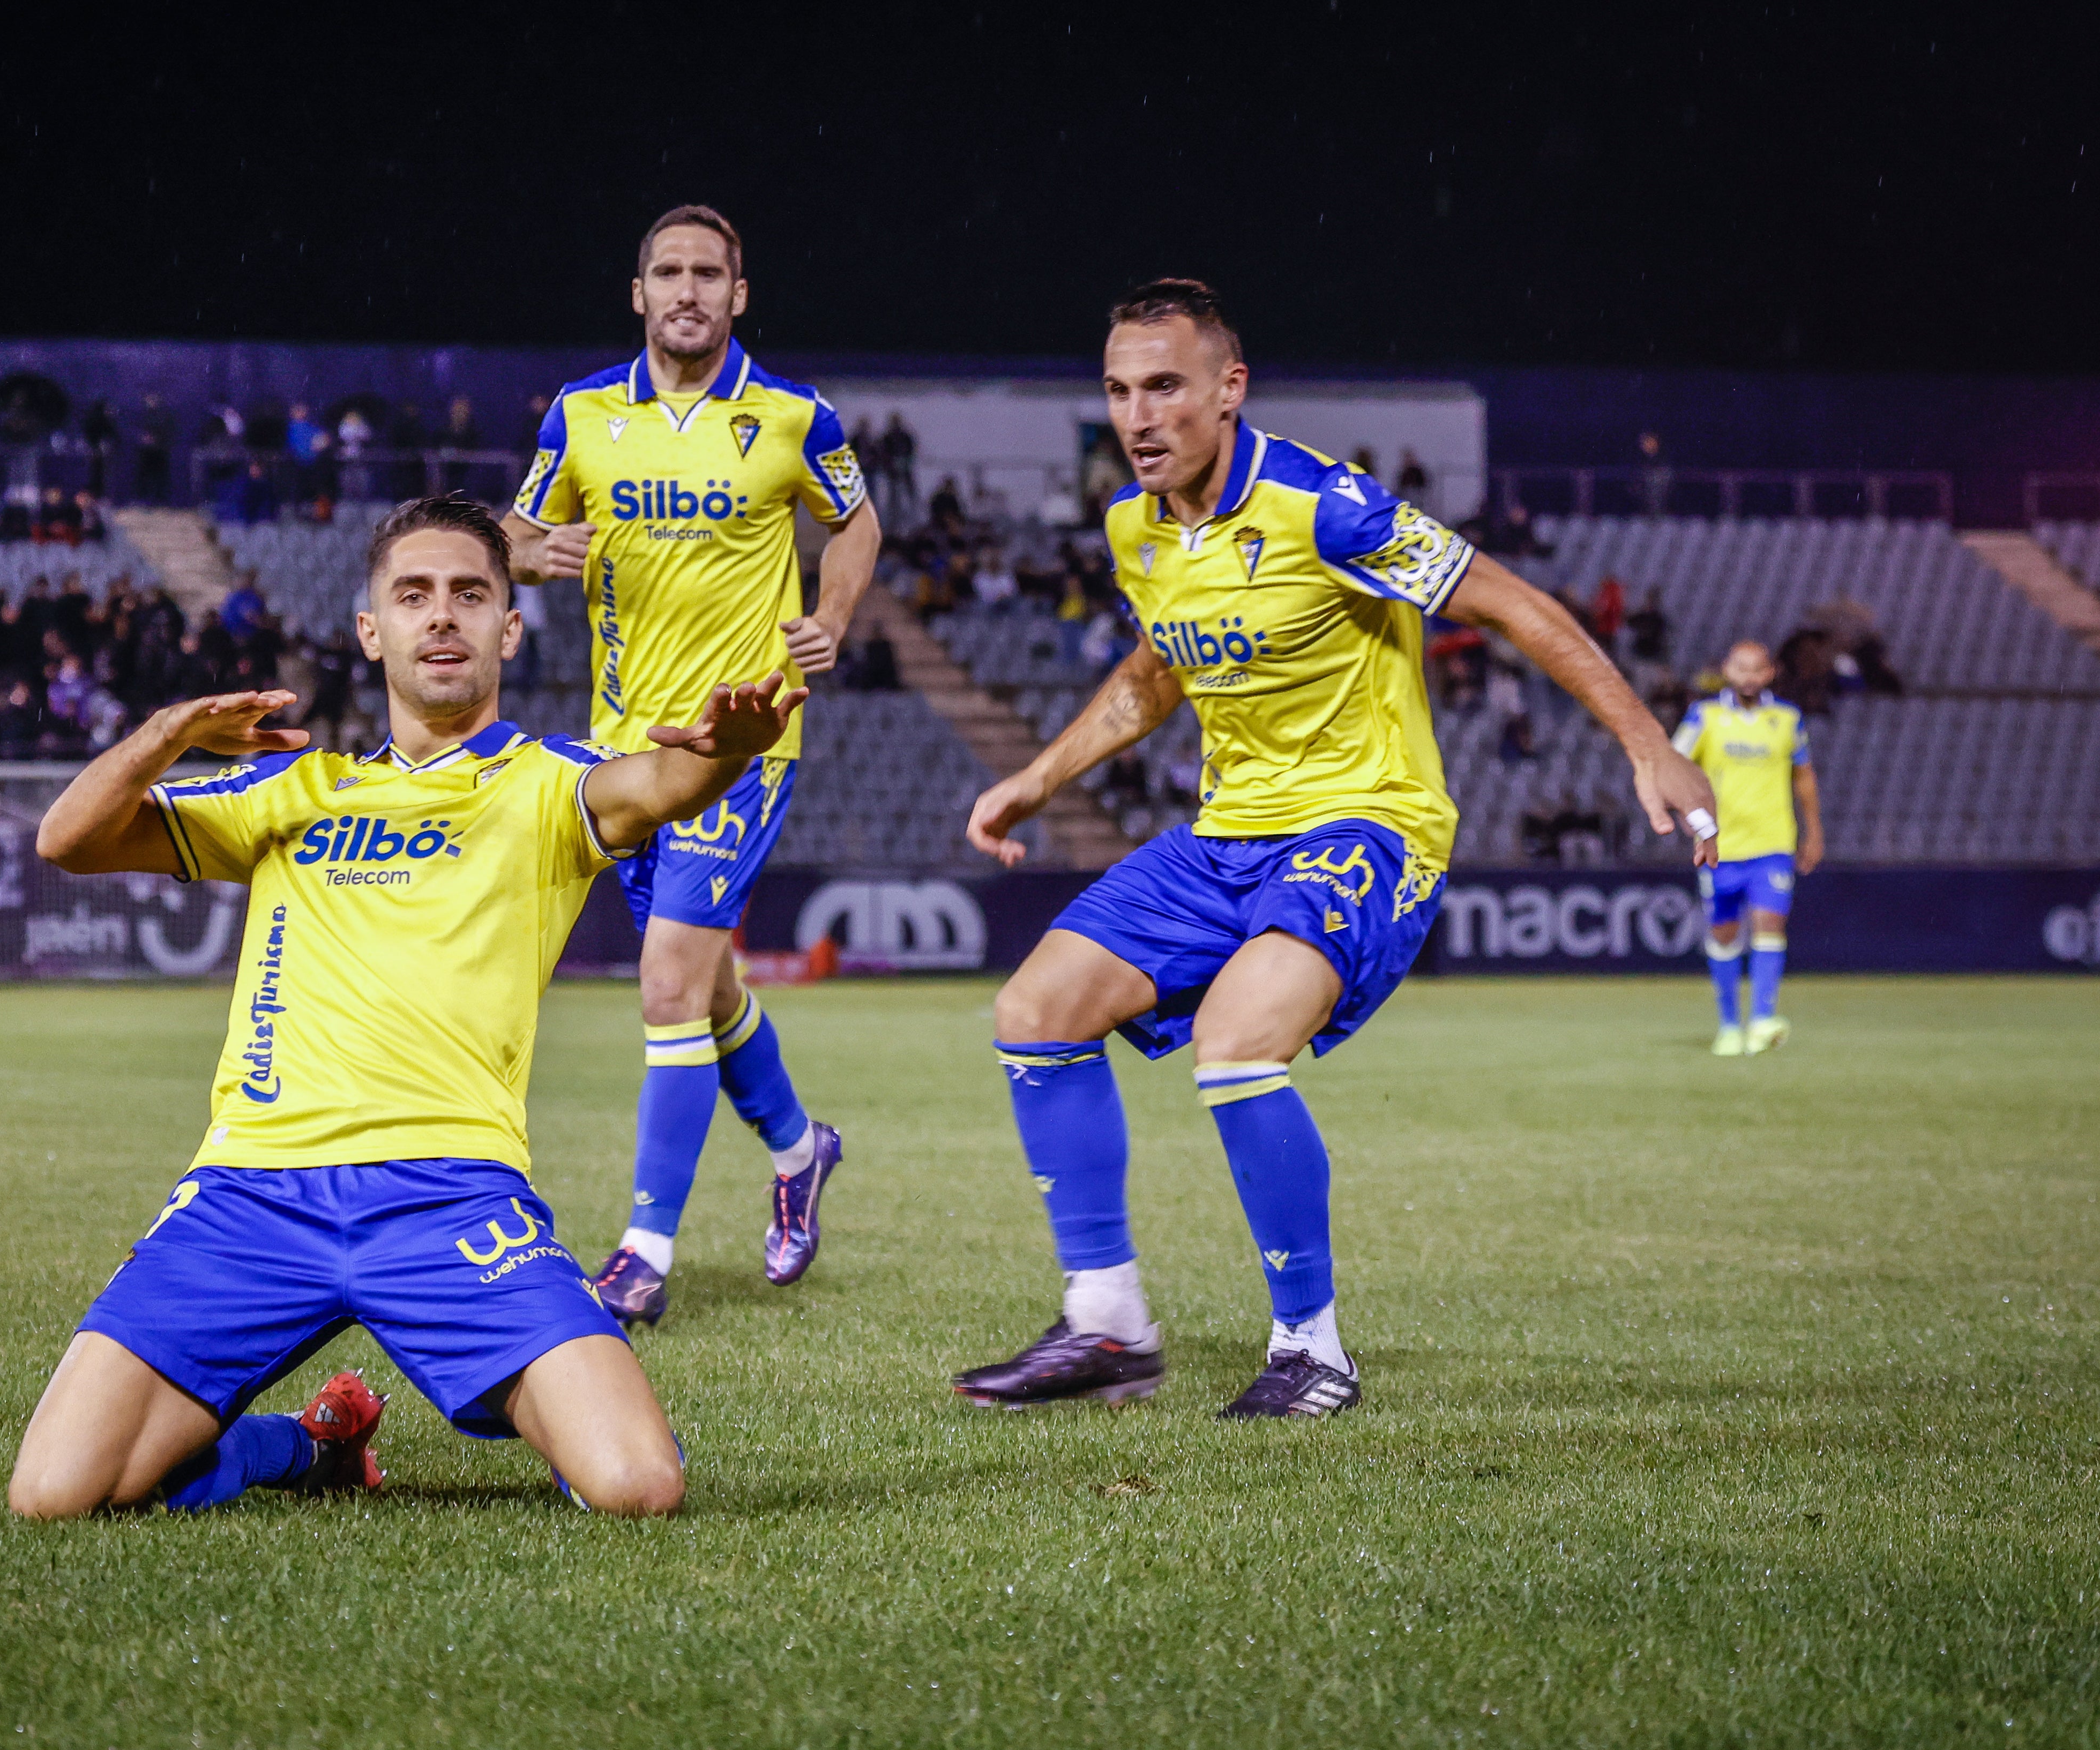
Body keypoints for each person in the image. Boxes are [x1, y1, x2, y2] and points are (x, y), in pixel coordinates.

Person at [950, 281, 1717, 1420]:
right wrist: (1036, 777)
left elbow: (1509, 604)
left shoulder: (1327, 509)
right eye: (1119, 390)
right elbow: (1157, 672)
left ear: (1228, 388)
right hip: (1227, 835)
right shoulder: (1135, 528)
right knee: (1035, 1008)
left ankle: (1312, 1349)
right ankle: (1107, 1323)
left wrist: (1645, 742)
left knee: (1236, 1038)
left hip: (1368, 820)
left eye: (1165, 385)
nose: (1138, 415)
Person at [5, 492, 810, 1521]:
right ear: (370, 631)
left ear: (508, 628)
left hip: (451, 1196)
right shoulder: (294, 790)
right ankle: (304, 1448)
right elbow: (67, 840)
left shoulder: (548, 785)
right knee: (55, 1493)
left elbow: (658, 784)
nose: (442, 617)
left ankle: (572, 1408)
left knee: (638, 1483)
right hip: (253, 1191)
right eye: (414, 595)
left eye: (470, 595)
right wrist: (168, 734)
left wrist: (726, 752)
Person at [502, 204, 881, 1325]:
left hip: (742, 739)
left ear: (738, 293)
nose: (686, 290)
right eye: (667, 272)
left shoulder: (794, 416)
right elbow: (513, 535)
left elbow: (856, 523)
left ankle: (642, 1252)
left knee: (666, 978)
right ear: (638, 293)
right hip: (626, 747)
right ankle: (799, 1146)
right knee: (706, 987)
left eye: (707, 273)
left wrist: (834, 617)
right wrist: (535, 551)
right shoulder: (580, 415)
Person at [1672, 639, 1821, 1057]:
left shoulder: (1787, 719)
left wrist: (1815, 831)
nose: (1749, 677)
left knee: (1770, 925)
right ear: (1727, 670)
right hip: (1721, 846)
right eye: (1741, 669)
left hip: (1773, 842)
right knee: (1724, 934)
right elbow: (1675, 765)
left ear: (1770, 673)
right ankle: (1729, 1026)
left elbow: (1804, 778)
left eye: (1757, 670)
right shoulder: (1704, 717)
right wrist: (1691, 816)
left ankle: (1762, 1020)